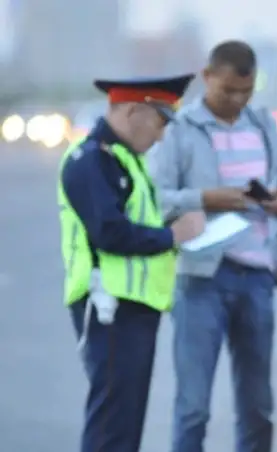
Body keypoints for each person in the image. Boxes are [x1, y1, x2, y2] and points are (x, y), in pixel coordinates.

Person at [147, 40, 277, 452]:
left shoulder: (264, 124)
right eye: (227, 90)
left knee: (257, 406)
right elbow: (157, 199)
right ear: (207, 76)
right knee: (193, 406)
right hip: (201, 280)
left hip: (258, 279)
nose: (236, 100)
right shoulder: (180, 129)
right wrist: (208, 198)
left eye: (245, 92)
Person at [57, 74, 203, 452]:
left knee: (126, 422)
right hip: (108, 307)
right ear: (135, 110)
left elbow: (133, 224)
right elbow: (110, 232)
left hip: (134, 308)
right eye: (159, 123)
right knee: (111, 426)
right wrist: (172, 236)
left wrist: (168, 230)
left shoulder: (125, 160)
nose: (160, 137)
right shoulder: (90, 161)